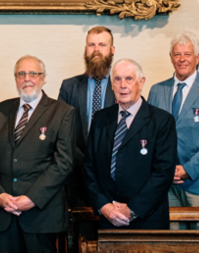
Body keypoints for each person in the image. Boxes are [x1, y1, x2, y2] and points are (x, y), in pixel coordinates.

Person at [0, 55, 77, 253]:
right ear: (15, 78)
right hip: (4, 213)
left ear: (43, 78)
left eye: (33, 73)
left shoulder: (62, 112)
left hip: (41, 215)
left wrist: (32, 198)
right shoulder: (0, 110)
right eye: (21, 74)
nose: (27, 78)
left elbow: (63, 163)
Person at [146, 33, 199, 230]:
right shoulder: (157, 90)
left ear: (197, 57)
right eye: (177, 54)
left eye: (187, 54)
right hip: (165, 182)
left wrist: (187, 170)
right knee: (173, 243)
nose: (182, 59)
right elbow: (149, 135)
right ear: (171, 57)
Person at [85, 59, 177, 230]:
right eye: (117, 79)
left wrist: (132, 209)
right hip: (108, 218)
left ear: (141, 82)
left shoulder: (162, 121)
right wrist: (104, 206)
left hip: (147, 219)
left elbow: (163, 173)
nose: (122, 85)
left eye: (129, 79)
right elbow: (89, 167)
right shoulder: (100, 119)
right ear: (112, 86)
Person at [57, 26, 117, 240]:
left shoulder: (124, 85)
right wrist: (86, 163)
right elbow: (62, 134)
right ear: (85, 49)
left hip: (114, 178)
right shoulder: (69, 87)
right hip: (78, 175)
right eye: (92, 45)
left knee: (110, 238)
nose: (96, 49)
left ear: (112, 50)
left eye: (102, 45)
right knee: (82, 237)